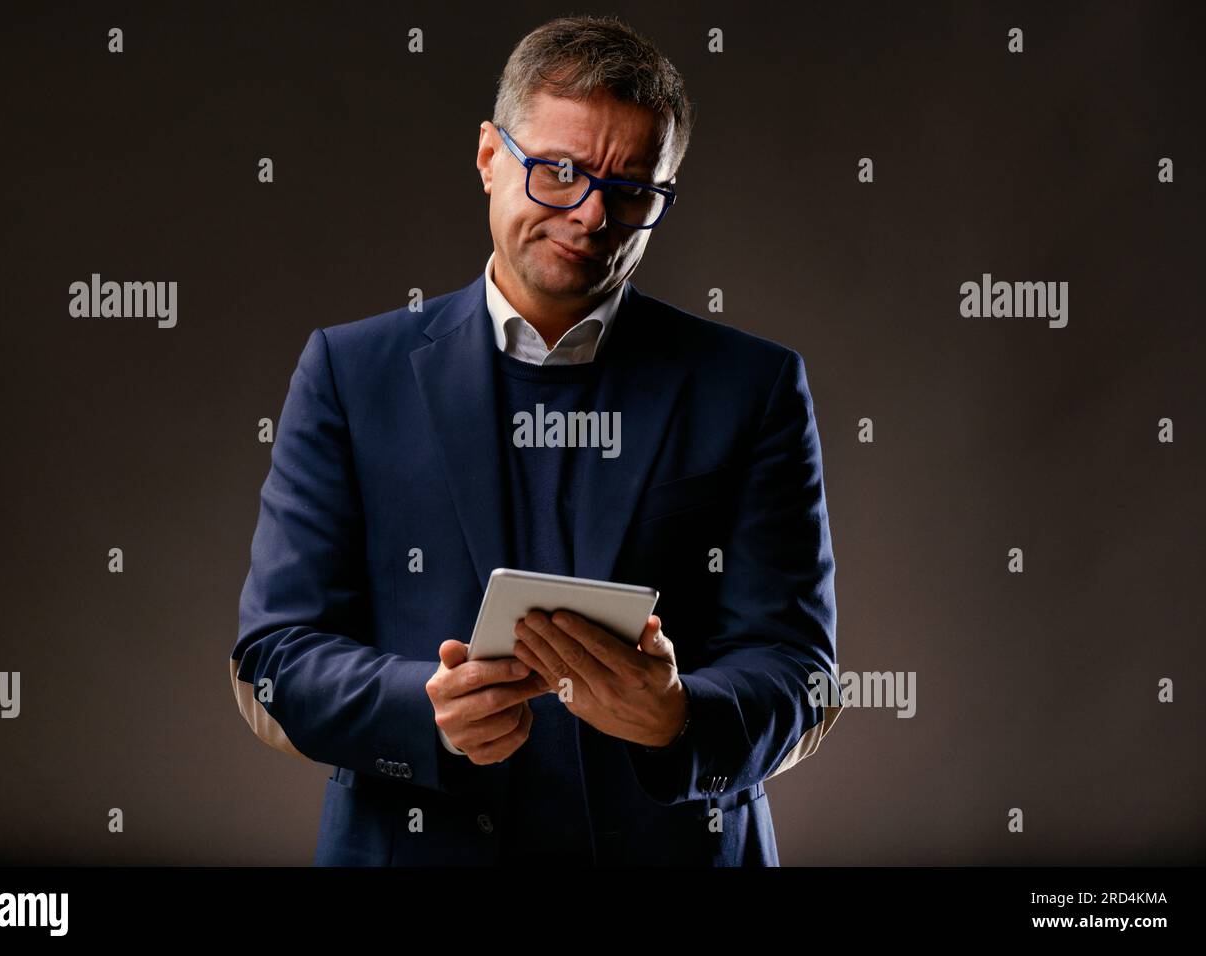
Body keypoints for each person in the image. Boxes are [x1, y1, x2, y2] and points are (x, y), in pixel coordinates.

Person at [230, 14, 841, 866]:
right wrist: (425, 708)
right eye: (558, 171)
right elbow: (273, 658)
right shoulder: (348, 372)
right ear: (489, 157)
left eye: (631, 190)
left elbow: (801, 672)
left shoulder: (753, 387)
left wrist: (680, 718)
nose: (593, 216)